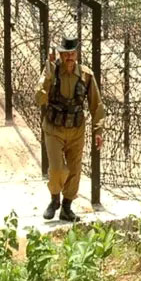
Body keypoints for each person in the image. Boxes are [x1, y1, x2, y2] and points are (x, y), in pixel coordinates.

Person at [35, 36, 105, 222]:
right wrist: (47, 77)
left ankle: (66, 206)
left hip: (76, 129)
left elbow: (96, 105)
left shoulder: (86, 75)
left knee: (74, 169)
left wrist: (98, 130)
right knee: (57, 169)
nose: (69, 58)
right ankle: (54, 199)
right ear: (60, 54)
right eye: (66, 54)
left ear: (77, 54)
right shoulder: (52, 71)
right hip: (54, 128)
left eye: (72, 53)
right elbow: (39, 98)